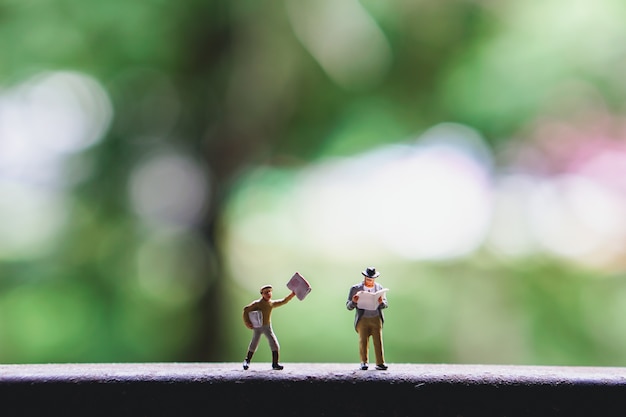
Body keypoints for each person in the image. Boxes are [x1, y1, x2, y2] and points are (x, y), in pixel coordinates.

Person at [242, 285, 295, 370]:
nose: (268, 294)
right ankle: (247, 360)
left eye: (270, 291)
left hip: (267, 327)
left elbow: (283, 301)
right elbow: (246, 310)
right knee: (254, 344)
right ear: (262, 294)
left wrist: (292, 294)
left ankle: (275, 364)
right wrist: (247, 322)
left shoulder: (271, 303)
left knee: (274, 344)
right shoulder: (258, 303)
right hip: (258, 326)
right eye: (266, 292)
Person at [346, 267, 388, 370]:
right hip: (363, 318)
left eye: (372, 279)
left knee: (378, 341)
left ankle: (380, 362)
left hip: (376, 318)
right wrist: (354, 302)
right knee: (363, 341)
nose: (370, 281)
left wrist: (381, 302)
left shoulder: (379, 288)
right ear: (364, 278)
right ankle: (364, 362)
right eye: (368, 279)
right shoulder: (356, 289)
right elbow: (348, 306)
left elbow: (385, 304)